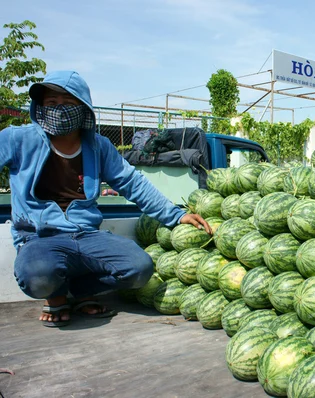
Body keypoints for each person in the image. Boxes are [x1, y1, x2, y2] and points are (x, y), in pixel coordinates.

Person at [0, 71, 211, 327]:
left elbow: (131, 182)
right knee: (38, 276)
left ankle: (80, 290)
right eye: (51, 103)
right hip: (39, 237)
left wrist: (176, 215)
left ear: (83, 108)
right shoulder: (18, 139)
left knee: (139, 268)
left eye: (67, 103)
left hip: (87, 235)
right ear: (40, 107)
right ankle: (55, 297)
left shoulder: (98, 146)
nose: (59, 110)